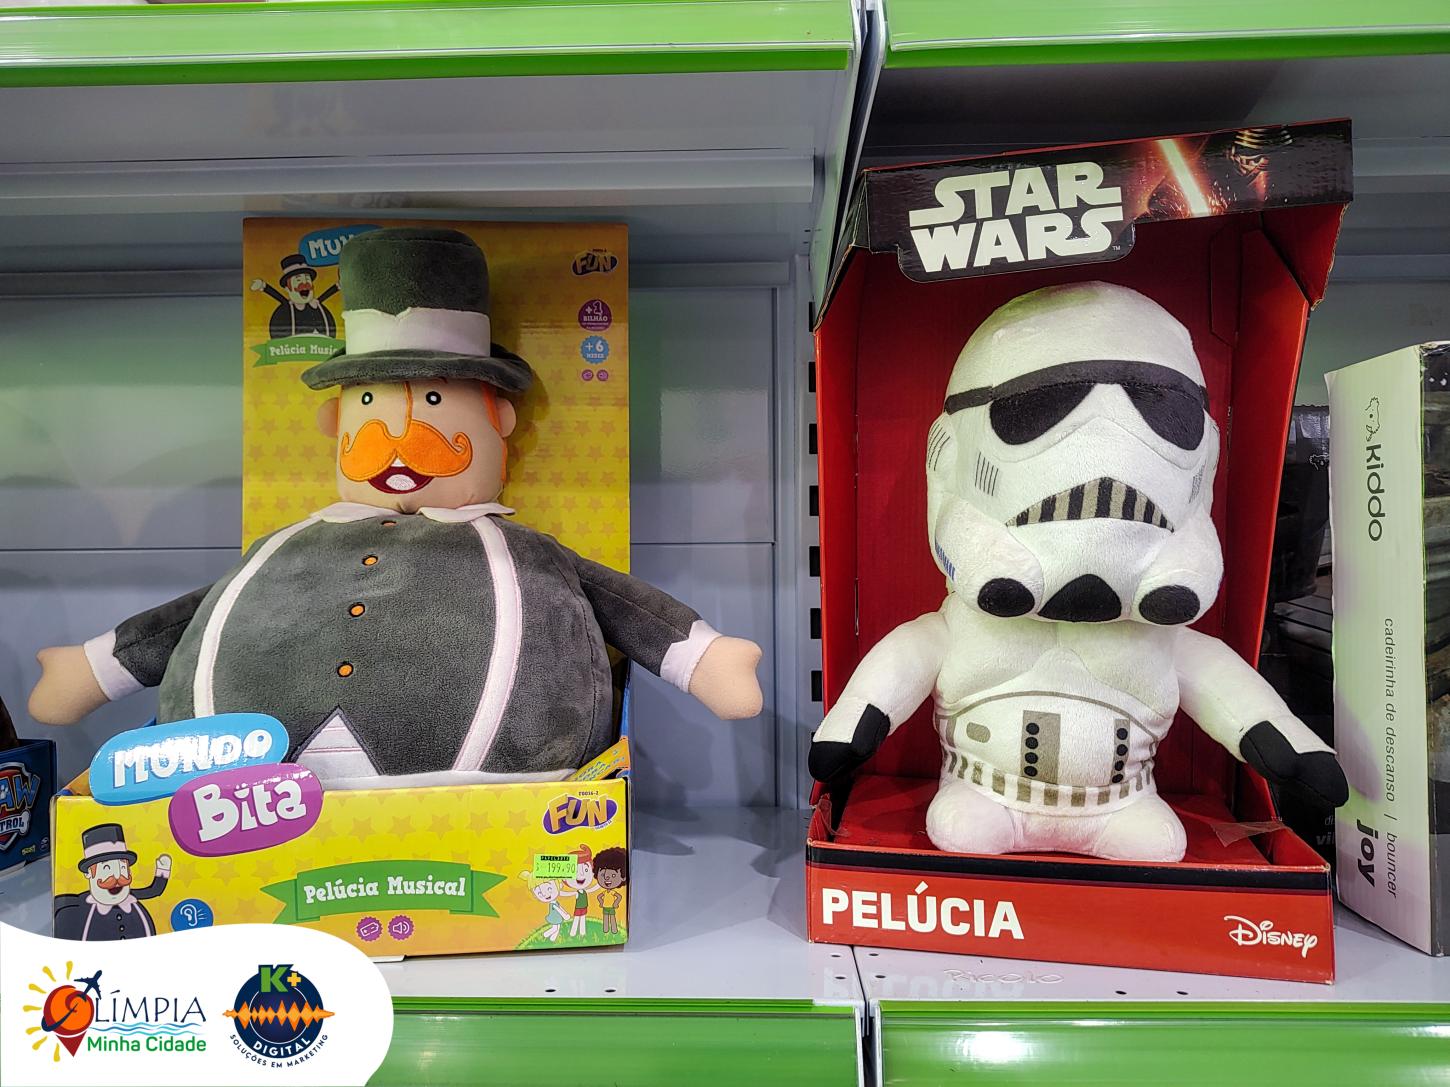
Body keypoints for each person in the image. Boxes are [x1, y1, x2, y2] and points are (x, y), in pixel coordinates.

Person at [30, 228, 764, 789]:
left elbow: (620, 603)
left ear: (500, 420)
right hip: (236, 798)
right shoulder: (280, 548)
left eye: (435, 401)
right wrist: (91, 668)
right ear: (336, 423)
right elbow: (189, 616)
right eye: (372, 405)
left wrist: (704, 657)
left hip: (491, 792)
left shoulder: (525, 553)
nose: (399, 436)